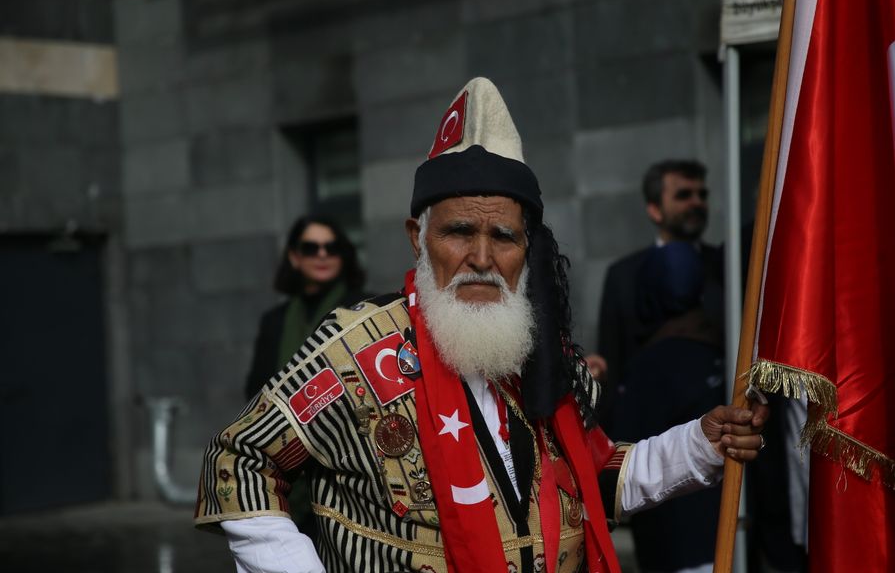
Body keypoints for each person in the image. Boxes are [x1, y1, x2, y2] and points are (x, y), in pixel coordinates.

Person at [195, 77, 767, 573]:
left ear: (527, 248)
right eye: (459, 232)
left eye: (504, 237)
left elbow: (594, 483)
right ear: (418, 237)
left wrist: (698, 445)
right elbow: (240, 458)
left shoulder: (545, 359)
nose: (482, 258)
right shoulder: (356, 351)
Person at [609, 242, 725, 573]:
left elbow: (619, 462)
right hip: (726, 536)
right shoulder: (720, 350)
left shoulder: (648, 368)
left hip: (675, 548)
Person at [596, 159, 724, 434]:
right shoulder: (623, 275)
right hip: (646, 428)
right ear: (655, 209)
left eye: (702, 195)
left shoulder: (727, 265)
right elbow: (613, 361)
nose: (696, 202)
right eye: (683, 195)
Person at [245, 214, 370, 400]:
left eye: (332, 248)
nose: (322, 254)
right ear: (294, 257)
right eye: (311, 248)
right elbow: (256, 392)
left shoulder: (364, 307)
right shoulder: (274, 321)